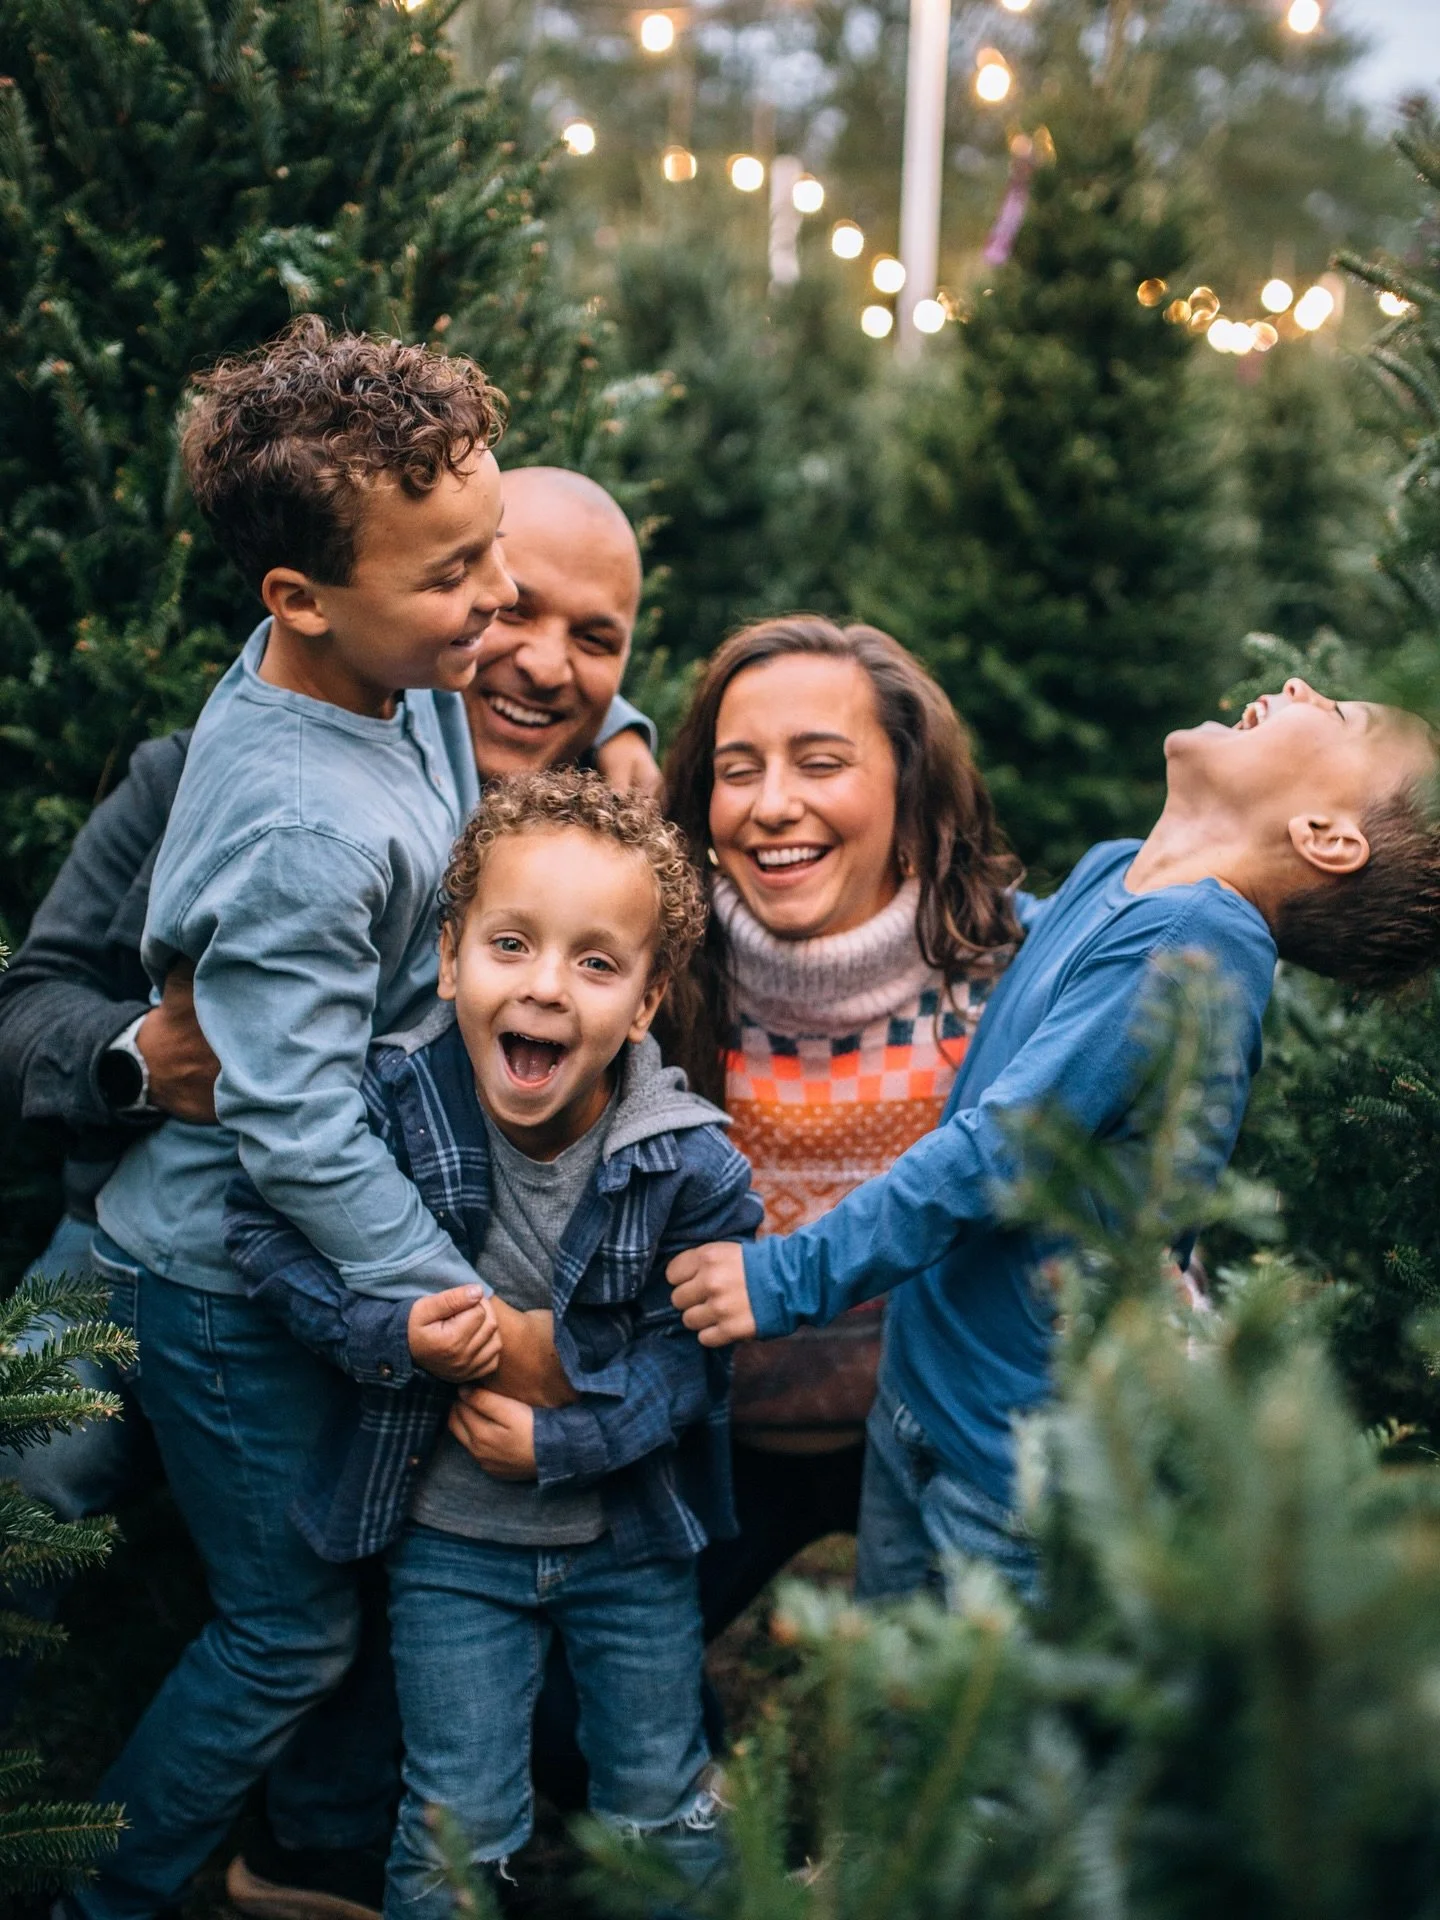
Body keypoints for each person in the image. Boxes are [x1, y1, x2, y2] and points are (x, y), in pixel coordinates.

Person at [0, 460, 662, 1916]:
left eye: (596, 640)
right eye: (506, 602)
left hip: (322, 1289)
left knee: (339, 1601)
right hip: (146, 1238)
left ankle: (303, 1851)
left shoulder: (552, 814)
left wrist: (622, 750)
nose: (534, 653)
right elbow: (34, 997)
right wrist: (135, 1061)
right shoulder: (237, 776)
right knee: (19, 1531)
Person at [669, 679, 1440, 1602]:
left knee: (972, 1728)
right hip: (930, 1387)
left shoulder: (1194, 941)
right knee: (889, 1700)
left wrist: (783, 1276)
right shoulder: (1123, 873)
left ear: (1327, 836)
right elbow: (1030, 956)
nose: (1302, 685)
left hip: (1016, 1460)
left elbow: (995, 1153)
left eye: (1345, 714)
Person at [225, 769, 761, 1915]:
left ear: (650, 998)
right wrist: (391, 1332)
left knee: (660, 1798)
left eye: (597, 963)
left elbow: (695, 1362)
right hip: (451, 1548)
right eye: (511, 946)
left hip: (629, 1543)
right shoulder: (391, 1110)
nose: (548, 990)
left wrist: (561, 1446)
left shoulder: (691, 1166)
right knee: (456, 1821)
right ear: (448, 956)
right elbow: (263, 1236)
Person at [660, 616, 1025, 1632]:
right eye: (739, 770)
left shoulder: (1010, 979)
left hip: (933, 1435)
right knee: (569, 1725)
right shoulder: (652, 981)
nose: (775, 805)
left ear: (909, 794)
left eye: (821, 763)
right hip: (710, 1438)